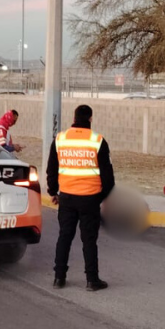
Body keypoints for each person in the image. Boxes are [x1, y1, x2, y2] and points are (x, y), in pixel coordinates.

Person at [47, 104, 114, 291]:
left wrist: (54, 192)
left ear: (74, 118)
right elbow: (107, 175)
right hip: (90, 198)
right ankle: (92, 280)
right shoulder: (97, 140)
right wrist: (103, 197)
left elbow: (51, 168)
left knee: (64, 237)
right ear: (90, 119)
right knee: (89, 240)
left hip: (67, 198)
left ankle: (59, 278)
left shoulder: (60, 139)